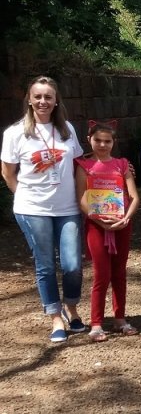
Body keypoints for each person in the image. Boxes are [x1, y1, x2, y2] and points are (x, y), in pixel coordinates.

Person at [1, 76, 86, 343]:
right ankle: (55, 317)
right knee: (45, 264)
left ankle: (71, 307)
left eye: (48, 96)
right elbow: (7, 172)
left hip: (68, 207)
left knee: (72, 264)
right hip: (32, 208)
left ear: (56, 100)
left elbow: (80, 166)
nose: (43, 101)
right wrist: (24, 197)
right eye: (37, 96)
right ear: (29, 99)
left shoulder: (67, 129)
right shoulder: (15, 133)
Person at [75, 120, 141, 342]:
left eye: (107, 141)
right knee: (101, 274)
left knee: (119, 272)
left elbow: (134, 196)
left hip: (122, 224)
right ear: (89, 140)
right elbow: (81, 198)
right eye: (98, 140)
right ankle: (96, 323)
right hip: (96, 226)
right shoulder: (84, 166)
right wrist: (100, 221)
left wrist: (127, 217)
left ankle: (120, 318)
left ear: (114, 142)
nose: (103, 145)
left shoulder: (122, 164)